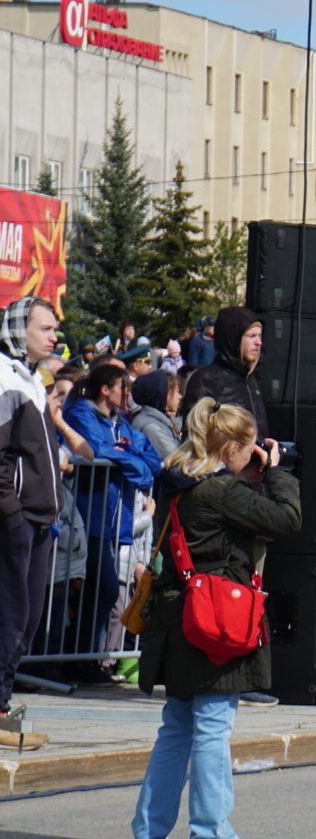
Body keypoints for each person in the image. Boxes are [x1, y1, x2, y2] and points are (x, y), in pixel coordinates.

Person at [131, 398, 301, 839]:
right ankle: (210, 835)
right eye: (247, 449)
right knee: (211, 727)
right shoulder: (223, 491)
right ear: (230, 450)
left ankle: (148, 832)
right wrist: (277, 473)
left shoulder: (176, 480)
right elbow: (287, 519)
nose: (253, 457)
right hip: (213, 618)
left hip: (175, 613)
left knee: (176, 728)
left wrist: (252, 472)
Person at [64, 362, 164, 658]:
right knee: (102, 590)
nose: (128, 394)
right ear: (106, 390)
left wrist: (127, 455)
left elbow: (153, 461)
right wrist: (130, 460)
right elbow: (96, 451)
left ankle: (88, 660)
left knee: (102, 593)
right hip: (88, 516)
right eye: (124, 388)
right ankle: (80, 659)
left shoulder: (121, 424)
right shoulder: (80, 415)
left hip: (112, 519)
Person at [0, 297, 64, 721]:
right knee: (10, 612)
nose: (54, 336)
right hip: (17, 518)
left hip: (39, 518)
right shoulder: (5, 378)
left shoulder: (32, 378)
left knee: (29, 614)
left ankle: (3, 696)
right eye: (46, 329)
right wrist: (12, 515)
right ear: (22, 330)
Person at [180, 307, 268, 434]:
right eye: (251, 336)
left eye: (260, 336)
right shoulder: (205, 380)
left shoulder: (251, 379)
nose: (258, 342)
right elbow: (195, 438)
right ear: (233, 339)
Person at [129, 371, 182, 460]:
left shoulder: (162, 419)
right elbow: (176, 458)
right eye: (177, 392)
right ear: (164, 394)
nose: (180, 397)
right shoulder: (150, 427)